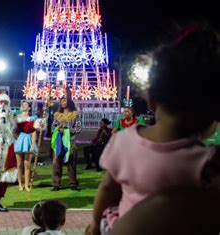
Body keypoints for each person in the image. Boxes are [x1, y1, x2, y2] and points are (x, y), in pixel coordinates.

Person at [86, 25, 220, 235]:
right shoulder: (208, 162)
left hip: (119, 226)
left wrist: (95, 224)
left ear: (151, 100)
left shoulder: (123, 141)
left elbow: (107, 189)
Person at [0, 93, 43, 212]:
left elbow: (25, 126)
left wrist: (36, 124)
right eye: (1, 102)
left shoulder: (12, 117)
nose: (3, 105)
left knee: (3, 179)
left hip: (7, 151)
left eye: (6, 103)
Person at [51, 97, 82, 191]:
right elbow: (52, 128)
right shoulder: (57, 115)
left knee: (71, 163)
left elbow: (79, 128)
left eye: (65, 100)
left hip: (71, 142)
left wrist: (66, 130)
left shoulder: (75, 115)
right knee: (56, 163)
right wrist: (58, 130)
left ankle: (73, 183)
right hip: (59, 142)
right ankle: (56, 184)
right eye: (61, 101)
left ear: (69, 102)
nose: (63, 102)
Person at [14, 101, 39, 192]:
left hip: (28, 140)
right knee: (19, 164)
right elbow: (13, 130)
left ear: (29, 107)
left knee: (27, 164)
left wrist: (33, 144)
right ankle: (20, 184)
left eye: (26, 104)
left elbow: (34, 131)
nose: (23, 105)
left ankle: (27, 185)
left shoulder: (33, 118)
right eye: (22, 104)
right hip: (20, 140)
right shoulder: (17, 118)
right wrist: (15, 139)